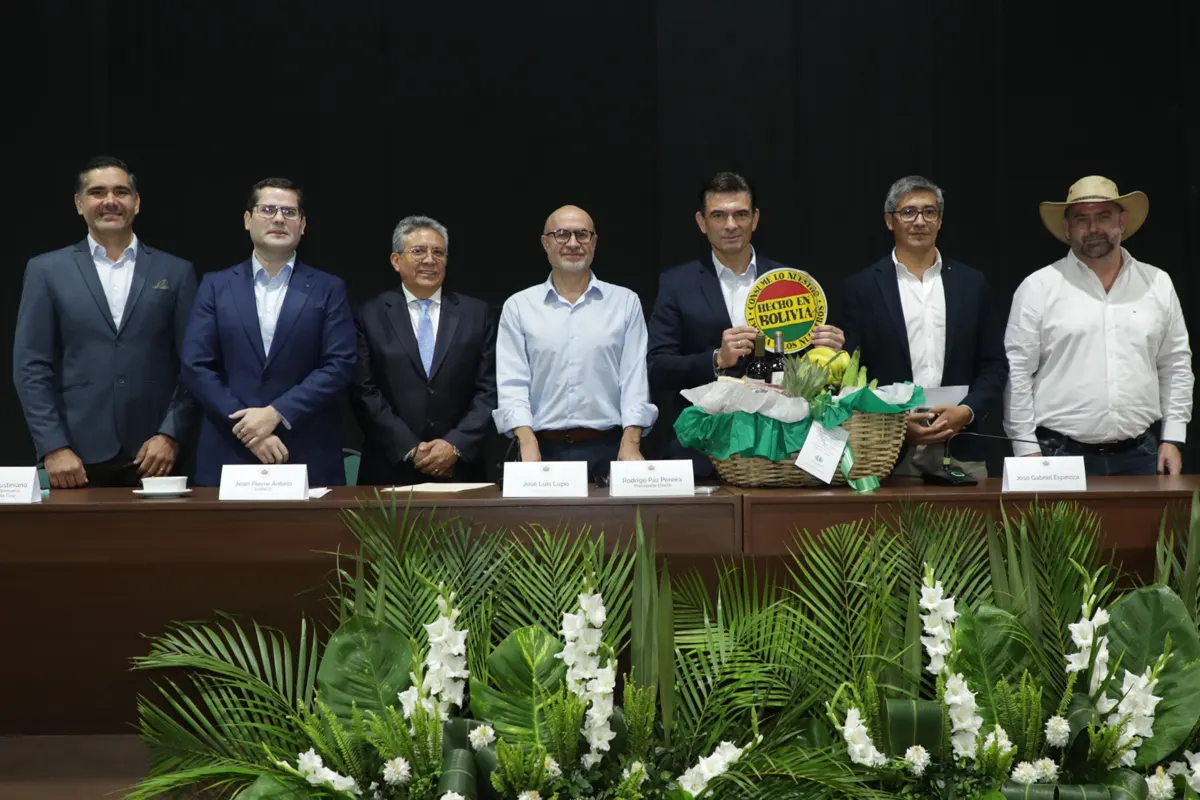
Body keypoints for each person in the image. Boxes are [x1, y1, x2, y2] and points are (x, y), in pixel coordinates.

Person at [13, 156, 198, 488]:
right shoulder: (46, 271)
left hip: (156, 456)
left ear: (136, 203)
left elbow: (194, 366)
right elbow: (31, 366)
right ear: (79, 203)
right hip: (74, 458)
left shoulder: (176, 272)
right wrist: (53, 446)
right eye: (97, 192)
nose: (110, 201)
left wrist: (170, 434)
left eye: (121, 192)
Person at [648, 171, 845, 473]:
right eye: (718, 215)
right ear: (702, 222)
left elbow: (811, 372)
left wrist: (827, 350)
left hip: (780, 451)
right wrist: (717, 359)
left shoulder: (791, 284)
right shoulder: (677, 284)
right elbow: (657, 369)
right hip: (704, 451)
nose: (730, 225)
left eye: (740, 214)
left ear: (754, 219)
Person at [1004, 175, 1193, 476]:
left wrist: (1173, 437)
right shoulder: (1038, 287)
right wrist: (1026, 449)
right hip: (1058, 455)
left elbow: (1176, 365)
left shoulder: (1157, 283)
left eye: (1103, 216)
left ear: (1122, 221)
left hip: (1142, 456)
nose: (1093, 228)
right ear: (1067, 228)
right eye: (1082, 219)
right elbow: (1018, 374)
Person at [181, 177, 356, 486]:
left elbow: (339, 365)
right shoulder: (215, 285)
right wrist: (249, 429)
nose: (278, 218)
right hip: (229, 450)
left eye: (289, 212)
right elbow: (196, 366)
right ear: (248, 220)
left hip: (305, 450)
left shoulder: (329, 288)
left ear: (302, 225)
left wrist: (277, 412)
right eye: (268, 209)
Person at [840, 176, 1007, 478]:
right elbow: (851, 375)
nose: (919, 221)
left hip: (962, 446)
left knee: (969, 526)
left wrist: (966, 411)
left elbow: (994, 364)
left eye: (929, 212)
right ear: (890, 221)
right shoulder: (861, 288)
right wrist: (897, 423)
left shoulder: (972, 284)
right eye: (908, 212)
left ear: (940, 220)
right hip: (888, 452)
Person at [493, 205, 657, 482]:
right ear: (545, 243)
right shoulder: (518, 306)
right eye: (561, 234)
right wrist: (526, 441)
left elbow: (634, 379)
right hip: (539, 451)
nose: (572, 243)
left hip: (610, 449)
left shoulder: (625, 302)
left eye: (582, 234)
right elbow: (512, 383)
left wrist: (631, 442)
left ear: (594, 242)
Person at [350, 215, 497, 486]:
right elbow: (364, 390)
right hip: (389, 468)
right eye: (418, 251)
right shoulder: (368, 313)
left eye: (438, 252)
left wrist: (454, 446)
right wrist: (411, 448)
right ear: (396, 261)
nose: (430, 260)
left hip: (460, 469)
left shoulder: (477, 313)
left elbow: (489, 390)